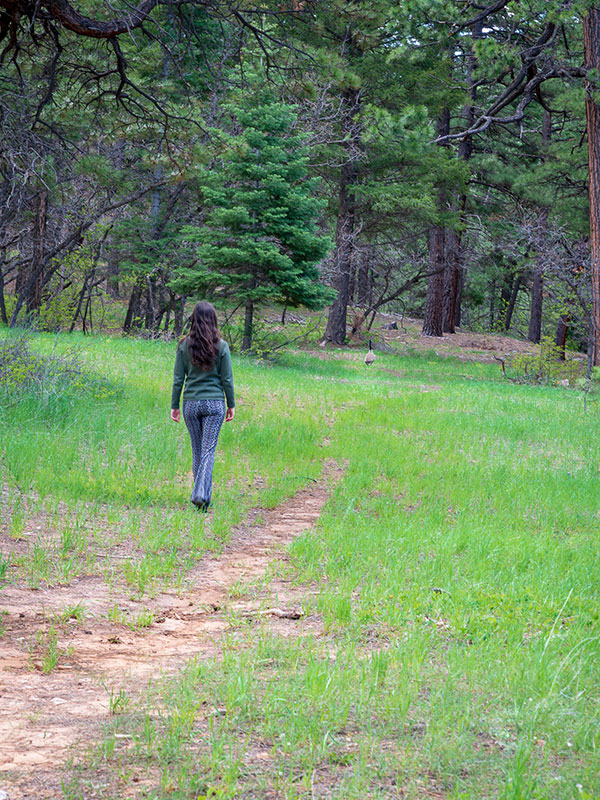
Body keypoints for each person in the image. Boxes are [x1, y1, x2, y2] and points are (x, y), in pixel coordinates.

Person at [171, 302, 235, 511]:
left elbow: (178, 379)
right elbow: (227, 379)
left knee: (198, 450)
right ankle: (201, 494)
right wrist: (231, 404)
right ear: (213, 319)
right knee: (208, 450)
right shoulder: (222, 346)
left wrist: (175, 405)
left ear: (194, 319)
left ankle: (200, 496)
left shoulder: (184, 345)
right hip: (214, 403)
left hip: (190, 403)